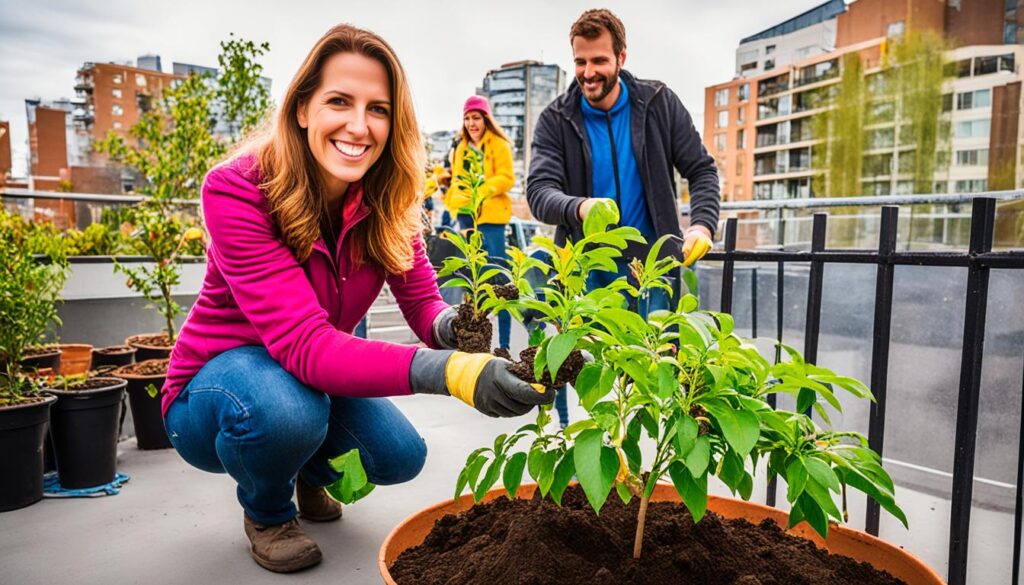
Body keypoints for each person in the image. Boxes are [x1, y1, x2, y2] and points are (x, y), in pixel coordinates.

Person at [161, 24, 552, 574]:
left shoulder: (386, 196)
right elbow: (304, 344)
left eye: (378, 109)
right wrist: (457, 373)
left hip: (305, 377)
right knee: (285, 414)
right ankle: (268, 510)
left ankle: (296, 470)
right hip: (216, 390)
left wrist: (453, 329)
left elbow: (421, 305)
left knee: (398, 457)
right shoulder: (238, 189)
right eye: (339, 102)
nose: (359, 126)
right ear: (302, 109)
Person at [527, 9, 721, 426]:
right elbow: (539, 193)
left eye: (599, 61)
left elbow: (702, 169)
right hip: (589, 272)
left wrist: (703, 224)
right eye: (580, 61)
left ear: (621, 57)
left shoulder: (657, 103)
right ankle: (591, 464)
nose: (588, 72)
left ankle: (648, 477)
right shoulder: (556, 119)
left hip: (654, 269)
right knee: (591, 385)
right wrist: (580, 206)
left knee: (660, 380)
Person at [444, 96, 516, 351]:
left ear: (486, 119)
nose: (471, 123)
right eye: (467, 118)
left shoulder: (498, 144)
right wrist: (456, 206)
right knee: (470, 281)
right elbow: (457, 183)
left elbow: (507, 178)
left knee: (500, 283)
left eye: (476, 117)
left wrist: (481, 190)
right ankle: (475, 342)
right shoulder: (461, 147)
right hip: (466, 218)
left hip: (491, 221)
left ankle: (505, 344)